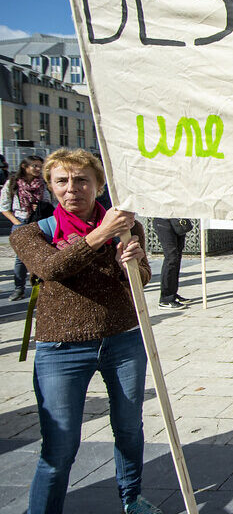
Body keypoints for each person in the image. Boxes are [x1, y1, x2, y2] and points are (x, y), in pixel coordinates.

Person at [10, 148, 162, 514]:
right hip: (61, 349)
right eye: (61, 181)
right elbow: (50, 268)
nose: (71, 188)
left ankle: (131, 498)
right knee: (60, 445)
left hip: (122, 340)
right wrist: (99, 236)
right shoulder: (31, 233)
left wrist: (133, 264)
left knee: (128, 428)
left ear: (99, 184)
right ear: (49, 187)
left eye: (81, 180)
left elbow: (140, 282)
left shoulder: (126, 227)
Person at [2, 155, 53, 301]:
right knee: (20, 258)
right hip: (21, 221)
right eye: (35, 166)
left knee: (44, 254)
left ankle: (44, 288)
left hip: (40, 222)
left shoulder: (43, 184)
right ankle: (19, 289)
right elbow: (4, 206)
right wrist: (17, 223)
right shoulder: (13, 183)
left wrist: (41, 207)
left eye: (40, 166)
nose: (38, 169)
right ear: (25, 167)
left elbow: (52, 204)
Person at [151, 218, 193, 309]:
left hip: (177, 219)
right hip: (163, 219)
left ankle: (172, 293)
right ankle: (165, 299)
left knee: (177, 256)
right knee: (171, 257)